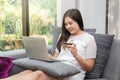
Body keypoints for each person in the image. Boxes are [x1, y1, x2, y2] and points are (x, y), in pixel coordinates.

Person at [1, 8, 96, 80]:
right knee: (29, 71)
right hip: (56, 68)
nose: (68, 27)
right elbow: (56, 58)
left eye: (70, 23)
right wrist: (46, 56)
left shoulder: (89, 39)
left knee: (38, 74)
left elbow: (89, 67)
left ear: (78, 21)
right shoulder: (63, 36)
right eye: (66, 24)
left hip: (71, 74)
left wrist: (76, 55)